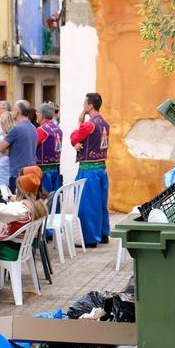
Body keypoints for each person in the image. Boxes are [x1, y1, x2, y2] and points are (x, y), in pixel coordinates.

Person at [69, 92, 112, 246]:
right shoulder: (105, 123)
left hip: (88, 170)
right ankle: (103, 234)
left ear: (90, 105)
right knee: (101, 203)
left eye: (84, 103)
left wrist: (79, 122)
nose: (83, 106)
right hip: (102, 168)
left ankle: (91, 239)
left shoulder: (89, 124)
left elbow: (74, 138)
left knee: (87, 205)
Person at [0, 169, 49, 261]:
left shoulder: (21, 209)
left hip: (11, 250)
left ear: (21, 190)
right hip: (23, 247)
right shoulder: (38, 204)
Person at [0, 100, 39, 195]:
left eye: (13, 109)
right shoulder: (33, 128)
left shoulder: (16, 129)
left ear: (18, 112)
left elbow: (0, 148)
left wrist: (10, 152)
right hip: (30, 171)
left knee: (17, 203)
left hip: (17, 173)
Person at [36, 103, 64, 193]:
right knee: (55, 198)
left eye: (38, 112)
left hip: (43, 173)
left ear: (42, 114)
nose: (36, 114)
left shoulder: (41, 130)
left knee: (45, 200)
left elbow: (31, 147)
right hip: (55, 170)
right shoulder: (58, 129)